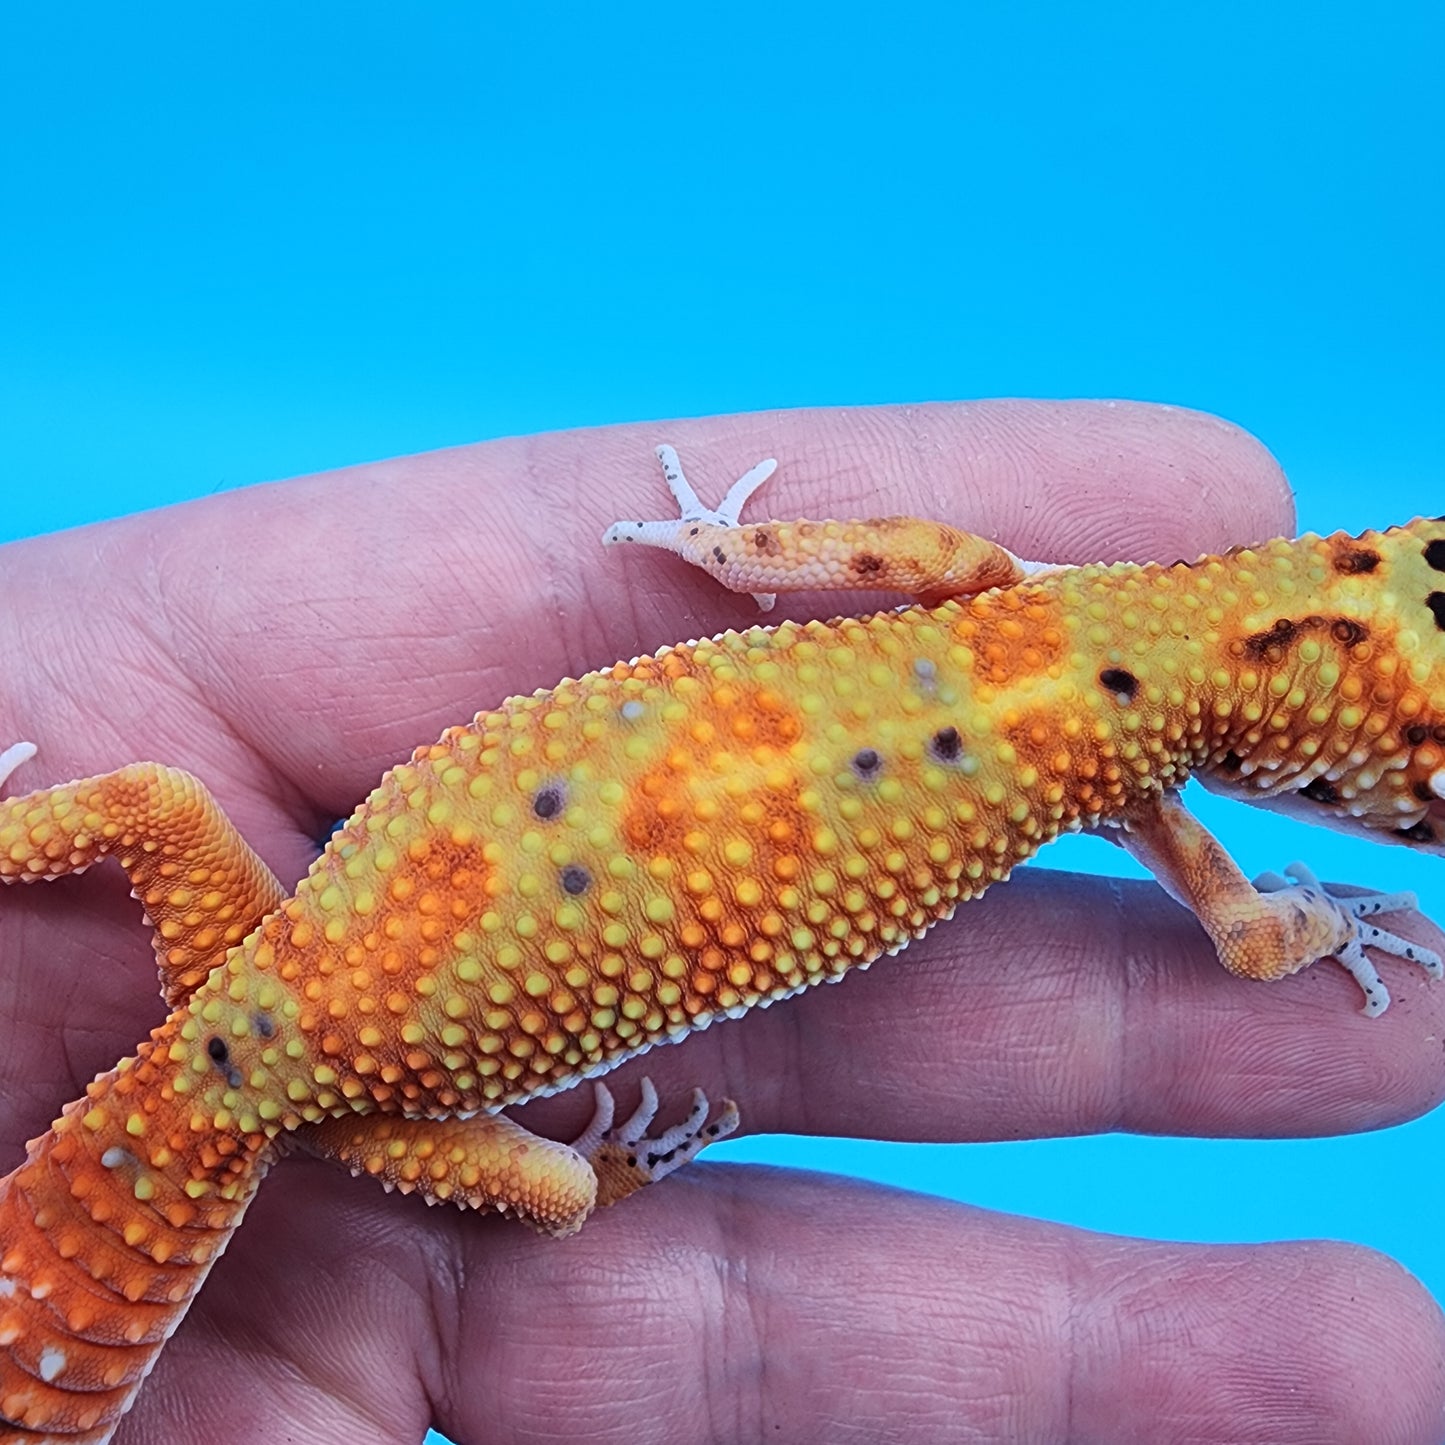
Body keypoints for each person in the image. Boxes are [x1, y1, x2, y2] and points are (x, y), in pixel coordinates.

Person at [3, 400, 1442, 1444]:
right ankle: (617, 1162)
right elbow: (1254, 941)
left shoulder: (992, 582)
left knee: (150, 805)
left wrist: (721, 540)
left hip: (280, 970)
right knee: (561, 1190)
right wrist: (1329, 918)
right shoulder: (1151, 787)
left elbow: (826, 554)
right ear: (1318, 777)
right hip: (336, 1079)